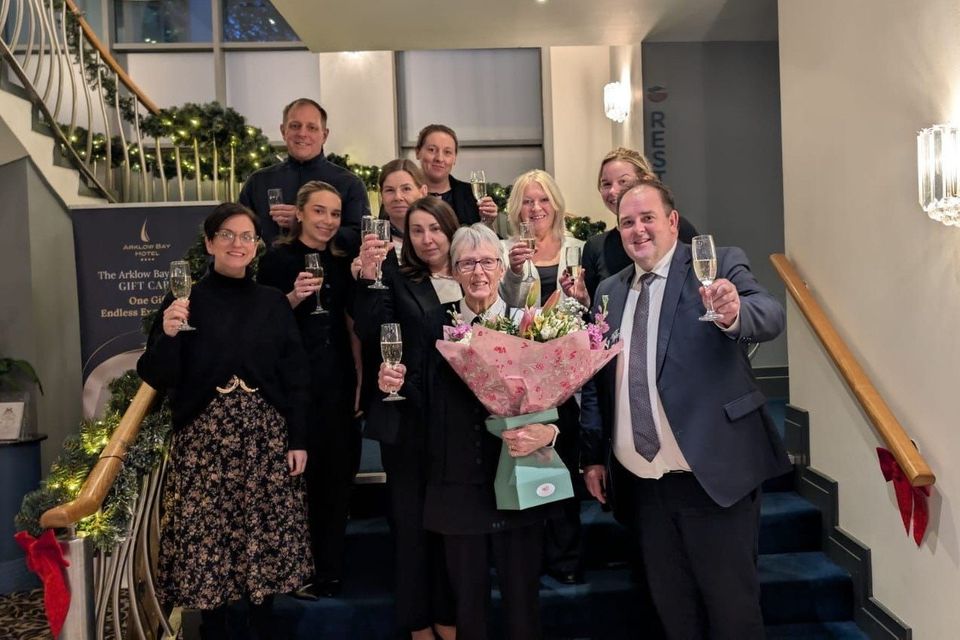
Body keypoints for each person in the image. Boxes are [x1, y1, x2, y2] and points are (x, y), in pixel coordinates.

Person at [580, 180, 790, 639]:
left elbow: (769, 313)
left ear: (672, 222)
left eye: (648, 218)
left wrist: (734, 313)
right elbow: (600, 382)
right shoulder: (609, 292)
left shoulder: (712, 267)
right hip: (644, 487)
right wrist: (593, 454)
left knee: (733, 616)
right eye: (627, 222)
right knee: (675, 616)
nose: (638, 230)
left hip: (711, 477)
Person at [137, 203, 312, 639]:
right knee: (209, 546)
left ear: (257, 246)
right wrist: (170, 333)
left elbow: (296, 378)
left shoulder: (272, 302)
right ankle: (214, 630)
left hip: (264, 441)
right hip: (204, 443)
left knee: (263, 539)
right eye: (228, 235)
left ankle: (261, 624)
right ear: (210, 242)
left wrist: (298, 439)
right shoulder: (184, 300)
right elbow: (156, 375)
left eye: (247, 236)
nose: (238, 244)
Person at [378, 223, 558, 640]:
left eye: (487, 262)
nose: (478, 272)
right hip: (457, 489)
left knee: (523, 611)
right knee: (467, 613)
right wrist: (395, 384)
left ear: (500, 268)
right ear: (454, 271)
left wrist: (548, 434)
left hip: (520, 485)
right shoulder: (432, 326)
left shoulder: (529, 323)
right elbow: (420, 397)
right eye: (467, 263)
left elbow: (557, 399)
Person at [354, 196, 459, 640]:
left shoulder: (471, 271)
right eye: (417, 231)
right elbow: (372, 327)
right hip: (409, 421)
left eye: (434, 228)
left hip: (457, 424)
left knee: (452, 532)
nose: (427, 238)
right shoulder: (397, 276)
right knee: (413, 530)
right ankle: (418, 625)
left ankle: (450, 619)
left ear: (450, 230)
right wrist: (369, 276)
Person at [256, 181, 360, 600]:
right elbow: (262, 326)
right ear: (299, 213)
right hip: (293, 388)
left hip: (337, 382)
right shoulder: (276, 260)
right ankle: (297, 571)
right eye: (319, 211)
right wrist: (294, 298)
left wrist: (358, 377)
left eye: (335, 214)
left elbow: (352, 324)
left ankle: (330, 570)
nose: (328, 221)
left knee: (338, 480)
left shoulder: (342, 259)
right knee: (299, 485)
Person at [239, 98, 371, 248]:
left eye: (312, 128)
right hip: (274, 269)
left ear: (325, 135)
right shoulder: (258, 182)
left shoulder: (349, 183)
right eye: (295, 126)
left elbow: (359, 236)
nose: (302, 133)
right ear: (283, 131)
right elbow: (240, 231)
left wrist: (305, 223)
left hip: (331, 270)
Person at [581, 148, 699, 301]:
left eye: (623, 181)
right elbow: (596, 318)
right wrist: (582, 301)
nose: (613, 190)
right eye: (606, 184)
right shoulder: (596, 247)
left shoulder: (678, 229)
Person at [501, 169, 589, 309]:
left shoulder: (580, 249)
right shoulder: (503, 251)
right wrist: (513, 272)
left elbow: (590, 307)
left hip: (573, 330)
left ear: (556, 205)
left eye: (544, 200)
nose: (536, 208)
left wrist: (584, 300)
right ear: (517, 208)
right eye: (527, 202)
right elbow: (500, 305)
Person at [414, 124, 509, 235]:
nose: (439, 158)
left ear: (454, 158)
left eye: (447, 152)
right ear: (417, 152)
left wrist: (487, 222)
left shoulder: (471, 194)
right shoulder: (406, 194)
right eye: (432, 150)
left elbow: (488, 244)